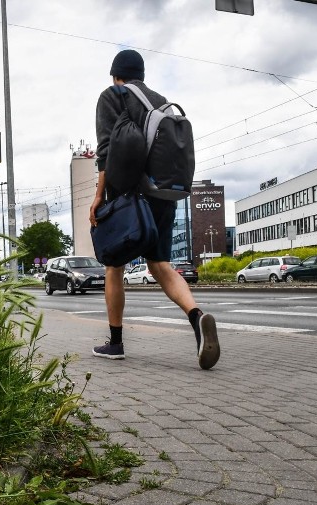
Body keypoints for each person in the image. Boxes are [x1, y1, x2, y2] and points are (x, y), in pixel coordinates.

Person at [89, 49, 220, 370]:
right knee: (160, 265)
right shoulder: (161, 101)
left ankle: (115, 342)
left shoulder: (112, 95)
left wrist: (99, 196)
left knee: (114, 266)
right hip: (162, 193)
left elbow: (106, 152)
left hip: (129, 196)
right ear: (142, 75)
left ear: (115, 74)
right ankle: (196, 316)